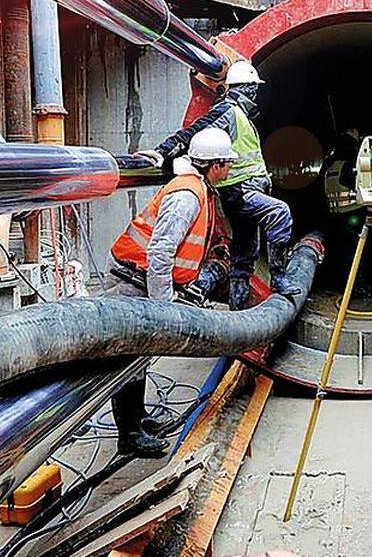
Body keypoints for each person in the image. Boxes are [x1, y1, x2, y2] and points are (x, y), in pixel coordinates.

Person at [105, 128, 237, 456]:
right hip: (133, 282)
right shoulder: (187, 196)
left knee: (139, 357)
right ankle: (130, 435)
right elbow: (161, 251)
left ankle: (138, 418)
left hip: (141, 280)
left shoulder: (198, 188)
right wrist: (164, 307)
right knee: (128, 356)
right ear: (215, 164)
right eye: (228, 163)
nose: (230, 169)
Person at [150, 59, 293, 310]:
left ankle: (237, 313)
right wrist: (162, 152)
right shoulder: (228, 111)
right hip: (240, 191)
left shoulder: (241, 116)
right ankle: (279, 278)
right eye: (254, 88)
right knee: (279, 213)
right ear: (247, 88)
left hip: (246, 190)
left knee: (244, 256)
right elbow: (196, 133)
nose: (257, 94)